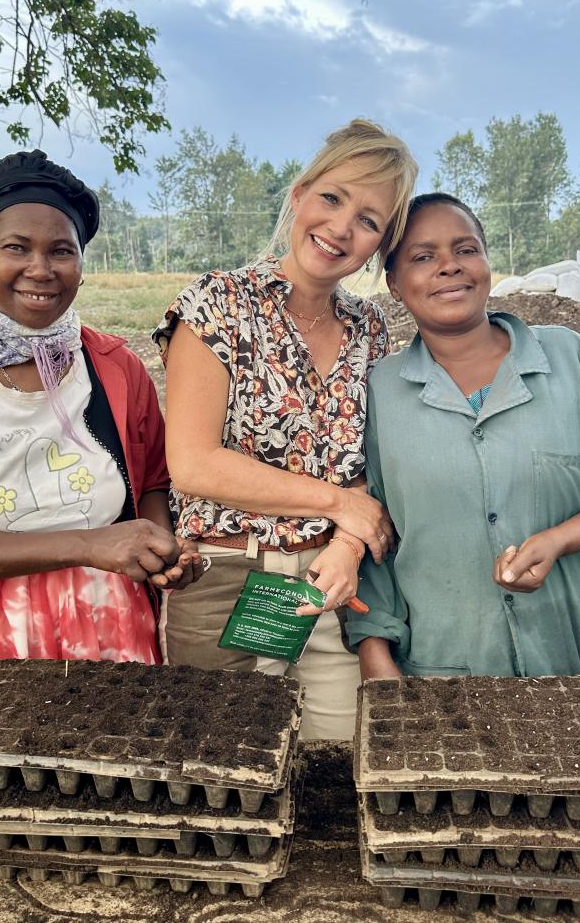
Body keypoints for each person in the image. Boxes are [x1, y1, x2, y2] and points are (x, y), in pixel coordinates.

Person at [0, 149, 201, 687]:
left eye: (61, 250)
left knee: (113, 758)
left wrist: (159, 547)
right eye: (16, 248)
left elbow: (152, 481)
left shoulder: (116, 370)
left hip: (114, 618)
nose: (41, 269)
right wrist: (89, 544)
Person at [349, 193, 580, 679]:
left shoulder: (573, 361)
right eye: (423, 257)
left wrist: (559, 539)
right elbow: (374, 533)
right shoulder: (379, 393)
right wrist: (375, 654)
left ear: (487, 264)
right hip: (450, 674)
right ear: (395, 282)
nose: (449, 267)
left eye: (466, 250)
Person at [153, 119, 419, 738]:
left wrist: (350, 543)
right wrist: (338, 504)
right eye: (332, 198)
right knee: (224, 758)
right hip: (226, 579)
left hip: (331, 584)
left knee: (337, 755)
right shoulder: (219, 303)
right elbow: (192, 463)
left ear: (380, 245)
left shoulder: (369, 328)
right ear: (299, 194)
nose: (340, 228)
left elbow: (370, 467)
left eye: (369, 219)